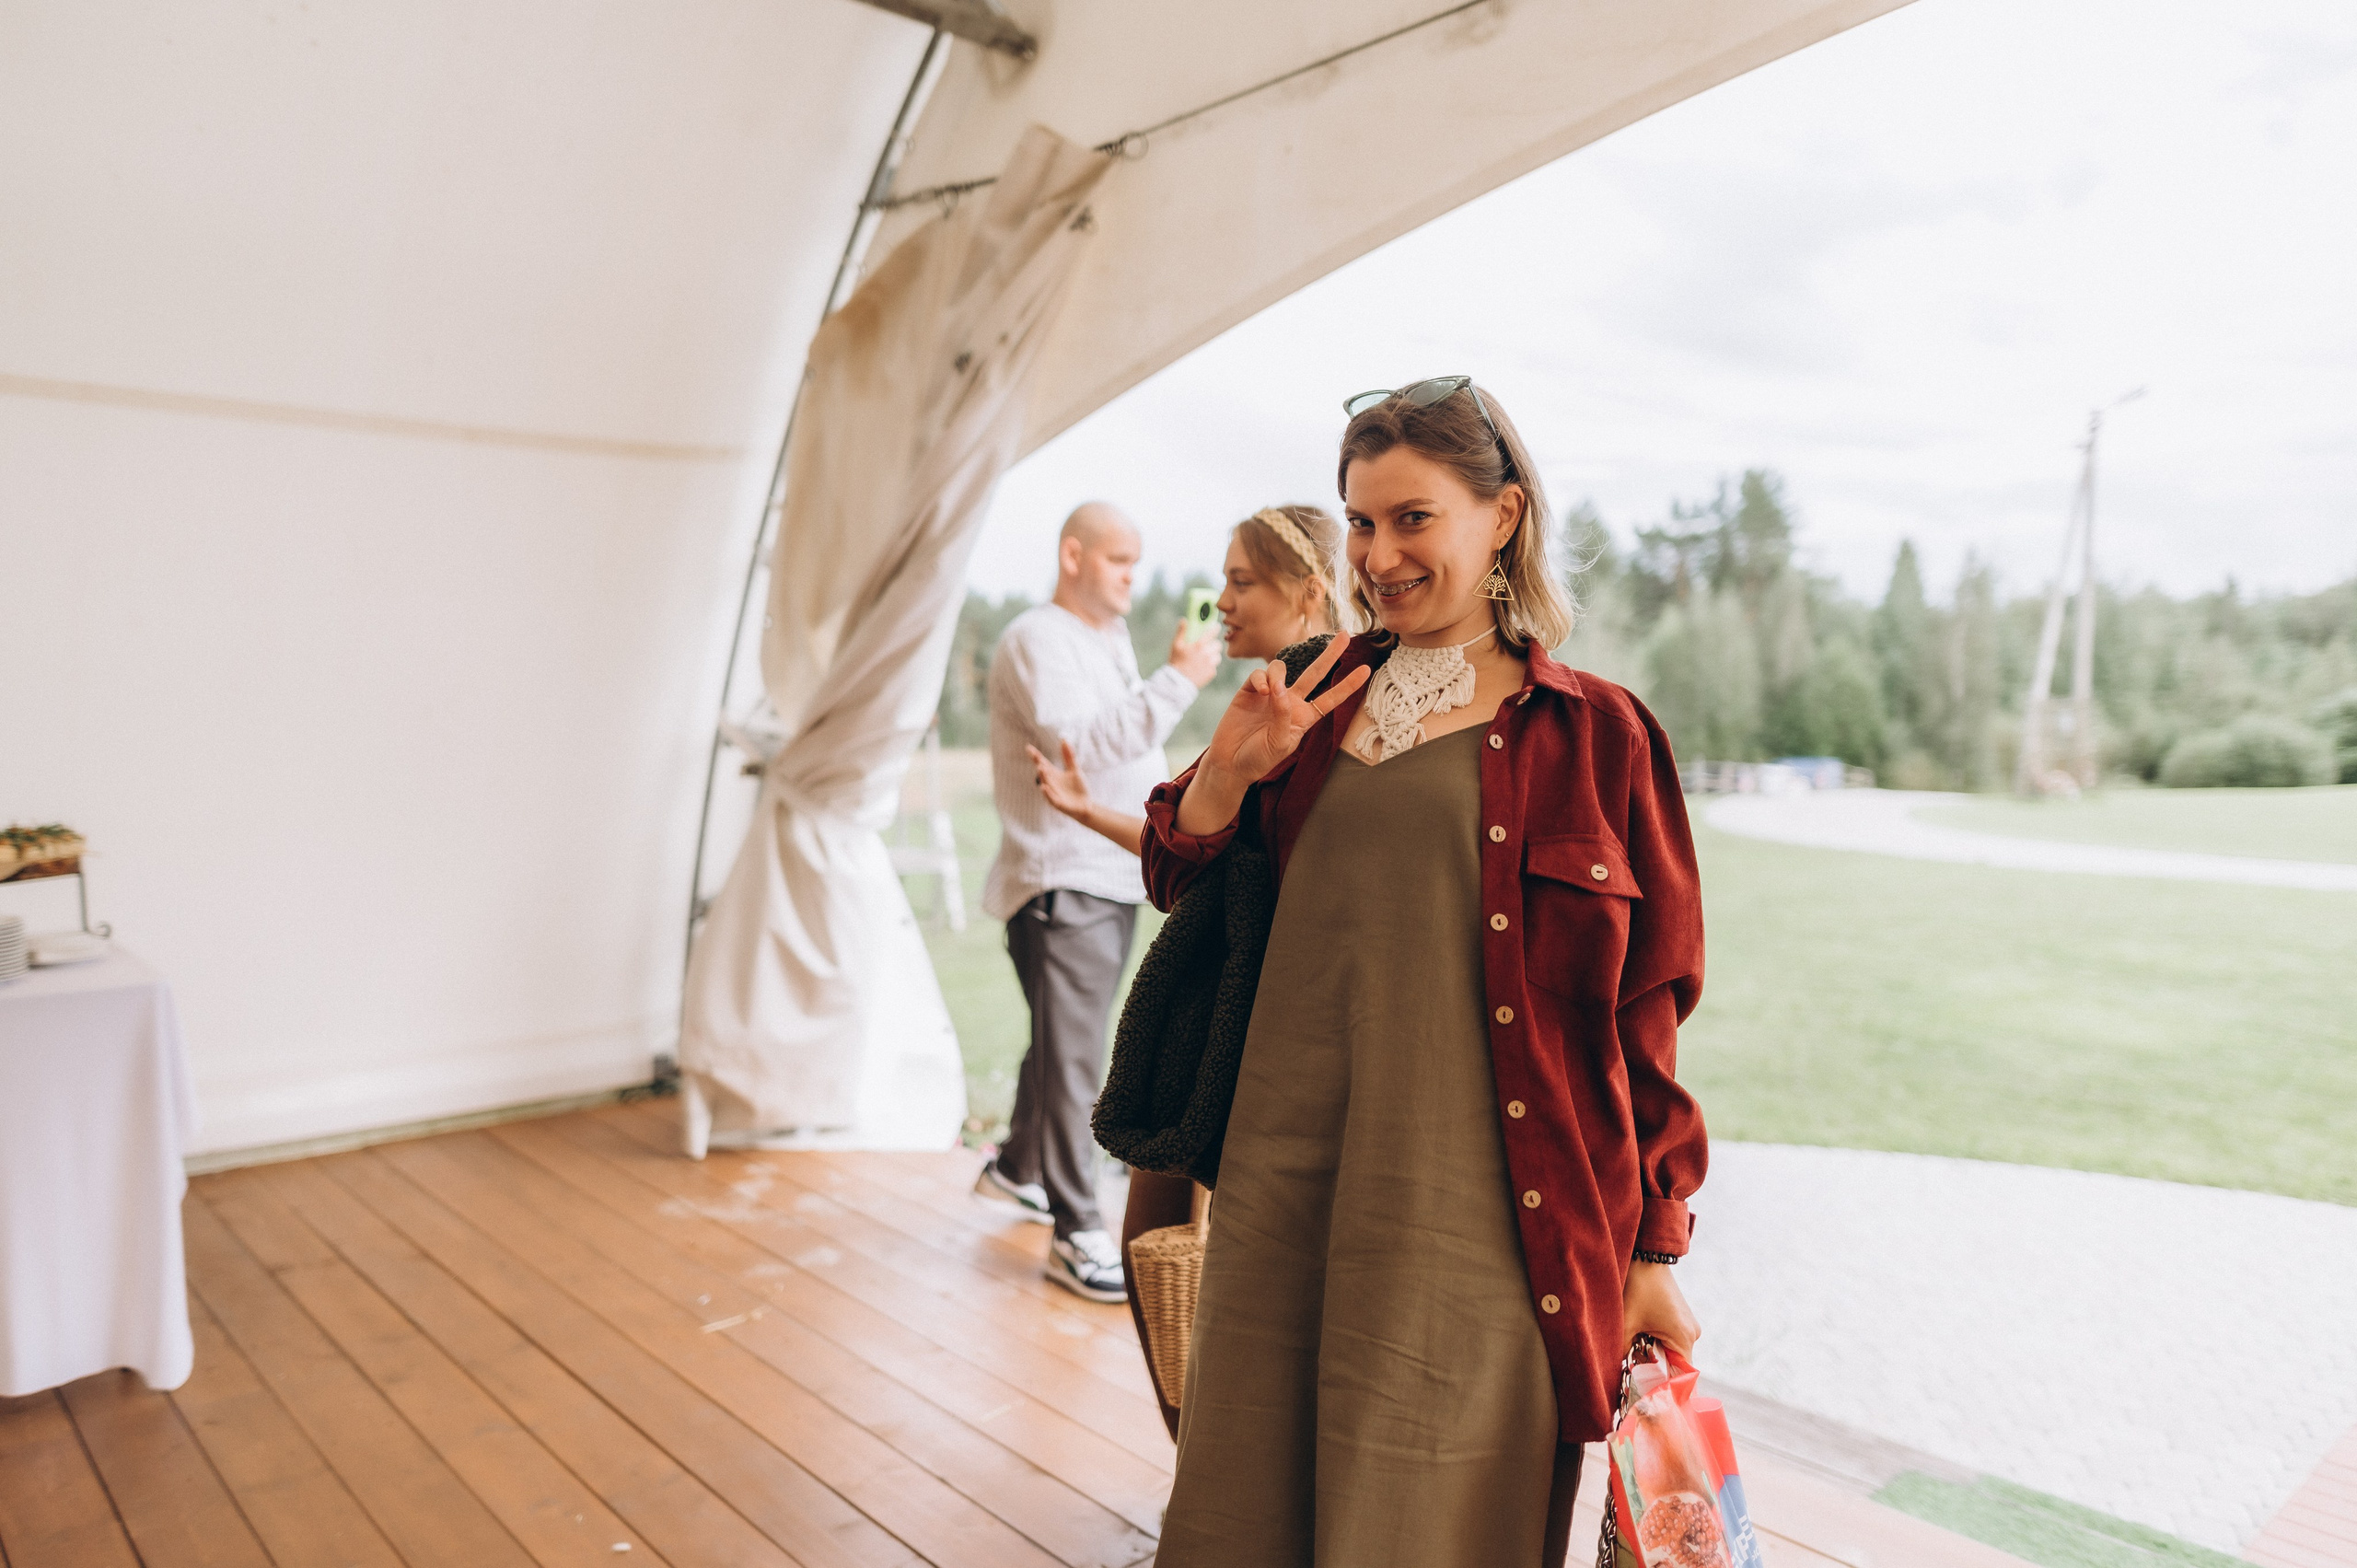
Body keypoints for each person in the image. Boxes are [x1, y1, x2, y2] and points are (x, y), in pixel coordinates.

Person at [1140, 378, 1710, 1568]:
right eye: (1359, 521)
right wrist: (1226, 776)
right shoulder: (1306, 693)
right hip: (1281, 1199)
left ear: (1500, 518)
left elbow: (1647, 1009)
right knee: (1247, 1516)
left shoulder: (1599, 735)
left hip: (1484, 1226)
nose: (1377, 555)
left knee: (1434, 1527)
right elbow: (1172, 866)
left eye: (1412, 519)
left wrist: (1655, 1247)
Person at [1025, 503, 1344, 1436]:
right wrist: (1087, 812)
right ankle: (1205, 1476)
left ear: (1308, 590)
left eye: (1241, 581)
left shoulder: (1309, 704)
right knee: (1168, 1252)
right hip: (1218, 1018)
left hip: (1245, 1024)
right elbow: (1193, 846)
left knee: (1167, 1253)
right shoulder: (1267, 700)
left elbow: (1209, 854)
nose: (1221, 601)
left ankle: (1207, 1472)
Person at [975, 501, 1221, 1303]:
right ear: (1072, 554)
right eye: (1119, 559)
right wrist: (1180, 678)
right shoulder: (1035, 639)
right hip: (1061, 873)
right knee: (1077, 1055)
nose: (1130, 578)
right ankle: (1076, 1229)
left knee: (1064, 1040)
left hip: (1107, 870)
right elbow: (1081, 747)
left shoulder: (1105, 639)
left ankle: (1018, 1168)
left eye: (1137, 562)